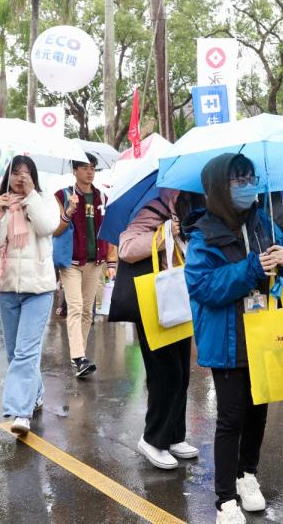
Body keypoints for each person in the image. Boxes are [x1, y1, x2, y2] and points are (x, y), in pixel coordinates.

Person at [184, 153, 283, 524]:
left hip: (263, 331)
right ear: (219, 187)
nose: (248, 186)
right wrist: (252, 267)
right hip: (227, 339)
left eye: (250, 178)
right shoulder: (202, 234)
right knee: (231, 418)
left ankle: (248, 475)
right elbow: (203, 287)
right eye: (238, 181)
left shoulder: (262, 221)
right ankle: (225, 499)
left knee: (258, 410)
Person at [118, 189, 204, 470]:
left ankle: (174, 434)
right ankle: (153, 439)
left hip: (179, 300)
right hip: (156, 303)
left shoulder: (191, 210)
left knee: (181, 374)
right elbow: (126, 248)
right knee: (165, 375)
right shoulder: (154, 209)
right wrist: (163, 233)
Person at [0, 156, 59, 436]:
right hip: (7, 290)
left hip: (38, 289)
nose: (20, 178)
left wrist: (30, 198)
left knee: (26, 353)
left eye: (26, 174)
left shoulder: (44, 200)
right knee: (15, 353)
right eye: (16, 173)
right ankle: (35, 392)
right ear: (8, 176)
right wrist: (0, 212)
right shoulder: (1, 203)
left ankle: (20, 412)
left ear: (34, 177)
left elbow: (47, 226)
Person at [53, 154, 111, 378]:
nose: (90, 172)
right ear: (74, 170)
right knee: (75, 308)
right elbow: (56, 230)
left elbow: (106, 229)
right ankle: (78, 358)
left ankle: (80, 358)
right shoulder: (62, 195)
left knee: (88, 310)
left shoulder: (102, 197)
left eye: (93, 168)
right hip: (71, 261)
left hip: (95, 261)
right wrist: (68, 213)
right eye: (85, 168)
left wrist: (110, 259)